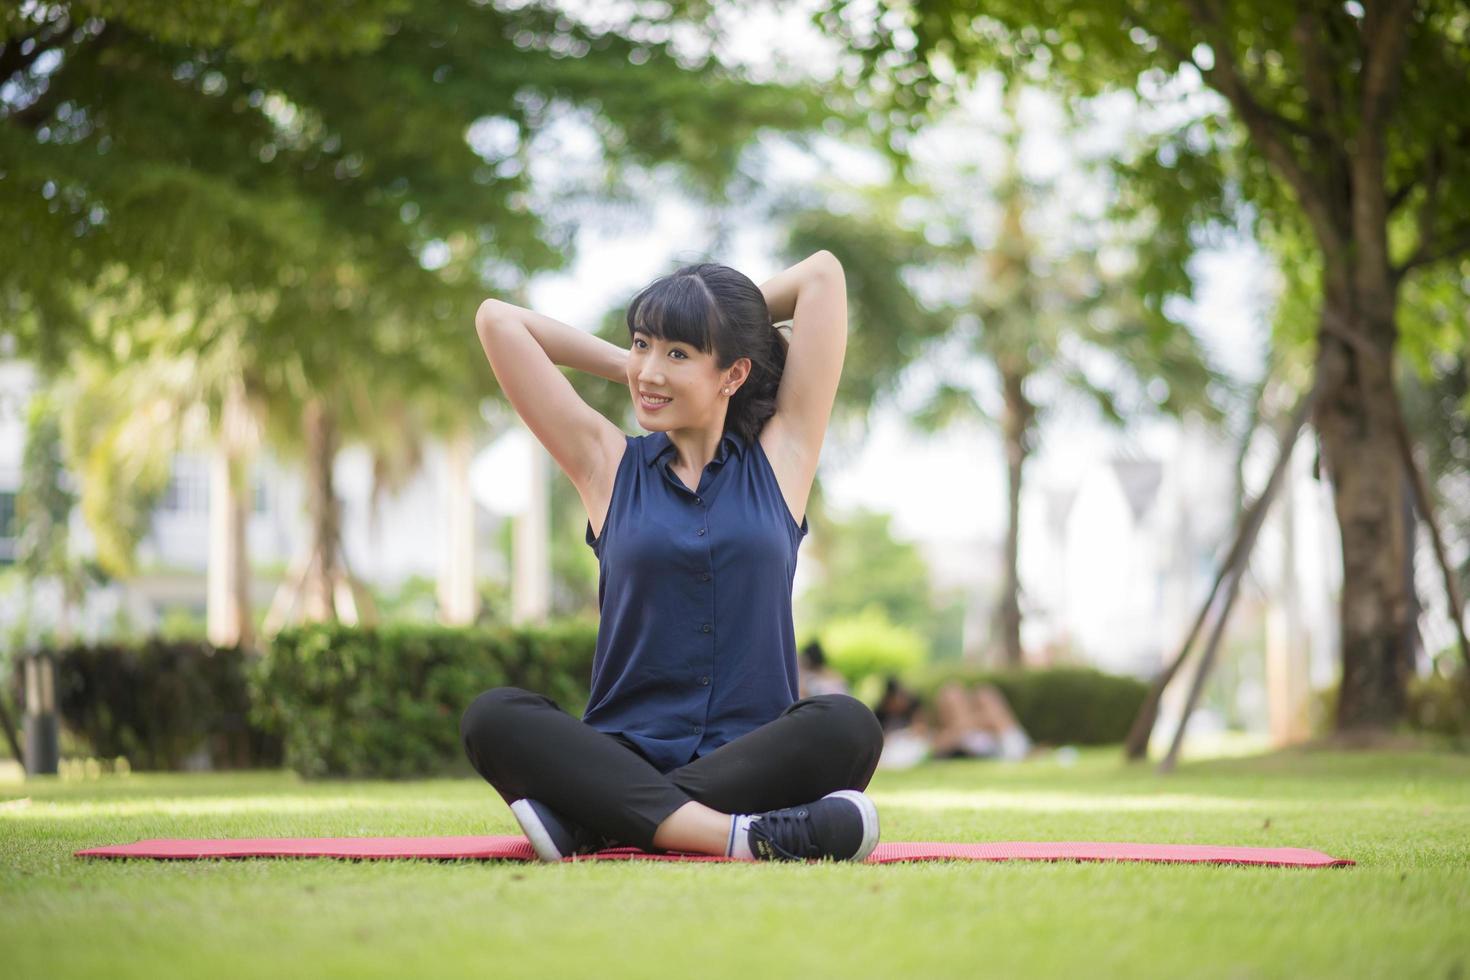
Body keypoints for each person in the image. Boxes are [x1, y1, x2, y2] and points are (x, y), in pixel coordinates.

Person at [460, 253, 884, 863]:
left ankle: (595, 820)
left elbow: (822, 275)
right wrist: (636, 367)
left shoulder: (782, 459)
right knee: (493, 717)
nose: (651, 372)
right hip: (621, 752)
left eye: (678, 353)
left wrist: (720, 323)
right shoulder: (605, 464)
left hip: (752, 759)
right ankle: (743, 835)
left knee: (848, 726)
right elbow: (498, 320)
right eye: (642, 344)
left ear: (733, 376)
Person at [873, 676, 1032, 769]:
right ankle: (1014, 743)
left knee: (982, 693)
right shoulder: (883, 723)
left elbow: (922, 730)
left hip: (949, 740)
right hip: (945, 744)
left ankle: (1010, 742)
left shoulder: (912, 709)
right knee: (954, 693)